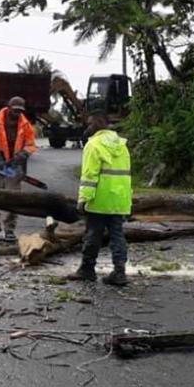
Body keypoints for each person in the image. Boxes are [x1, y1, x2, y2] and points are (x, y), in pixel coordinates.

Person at [68, 113, 132, 286]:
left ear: (95, 126)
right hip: (119, 199)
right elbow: (125, 175)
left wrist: (83, 200)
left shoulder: (93, 145)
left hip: (99, 200)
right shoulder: (122, 145)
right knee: (117, 235)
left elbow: (89, 175)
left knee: (92, 235)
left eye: (89, 124)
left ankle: (87, 269)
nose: (87, 128)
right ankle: (120, 272)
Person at [0, 96, 37, 242]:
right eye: (15, 110)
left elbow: (31, 144)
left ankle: (9, 229)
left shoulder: (25, 125)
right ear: (9, 107)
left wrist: (23, 154)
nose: (17, 113)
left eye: (20, 111)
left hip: (16, 166)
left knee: (13, 200)